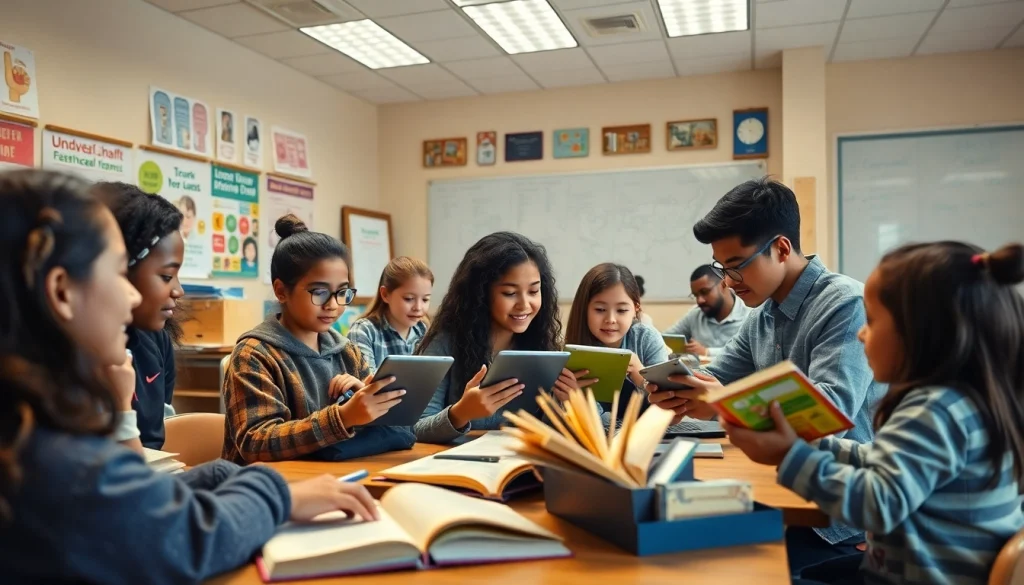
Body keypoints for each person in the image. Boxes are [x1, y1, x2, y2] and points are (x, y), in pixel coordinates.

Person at [0, 170, 379, 583]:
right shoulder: (51, 455)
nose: (130, 294)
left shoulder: (35, 422)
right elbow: (180, 538)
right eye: (116, 273)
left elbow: (132, 497)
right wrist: (277, 493)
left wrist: (220, 476)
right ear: (61, 291)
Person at [727, 241, 1024, 585]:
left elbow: (878, 504)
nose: (860, 333)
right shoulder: (961, 403)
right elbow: (881, 459)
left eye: (872, 320)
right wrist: (811, 445)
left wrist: (790, 455)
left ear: (922, 332)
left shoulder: (934, 411)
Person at [646, 177, 886, 576]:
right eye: (721, 268)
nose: (728, 282)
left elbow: (827, 418)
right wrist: (671, 386)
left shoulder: (845, 304)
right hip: (785, 487)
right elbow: (717, 375)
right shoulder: (763, 315)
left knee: (712, 566)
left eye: (736, 266)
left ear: (781, 248)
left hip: (836, 519)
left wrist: (722, 404)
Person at [222, 215, 411, 464]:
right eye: (319, 292)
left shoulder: (347, 352)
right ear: (281, 291)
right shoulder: (254, 354)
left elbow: (396, 433)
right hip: (268, 490)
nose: (333, 305)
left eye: (342, 292)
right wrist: (343, 417)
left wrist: (365, 401)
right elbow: (255, 443)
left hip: (336, 478)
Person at [414, 232, 562, 444]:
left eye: (534, 291)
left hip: (522, 464)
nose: (524, 304)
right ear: (481, 293)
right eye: (510, 293)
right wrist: (460, 413)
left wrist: (566, 401)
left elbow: (549, 431)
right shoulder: (445, 344)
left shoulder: (542, 346)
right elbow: (415, 428)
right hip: (461, 468)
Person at [92, 182, 184, 451]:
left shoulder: (157, 342)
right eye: (166, 276)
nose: (178, 290)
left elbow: (153, 443)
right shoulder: (70, 359)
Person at [560, 263, 667, 414]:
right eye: (600, 310)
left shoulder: (646, 338)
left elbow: (668, 408)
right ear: (584, 309)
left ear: (636, 309)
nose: (610, 319)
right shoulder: (572, 351)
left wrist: (641, 374)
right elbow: (592, 425)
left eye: (622, 310)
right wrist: (577, 401)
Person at [348, 256, 433, 375]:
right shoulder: (364, 331)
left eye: (425, 299)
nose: (418, 307)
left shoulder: (424, 331)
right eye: (409, 299)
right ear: (385, 294)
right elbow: (365, 384)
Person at [663, 264, 751, 357]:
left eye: (704, 292)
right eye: (695, 295)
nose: (699, 300)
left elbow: (748, 352)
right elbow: (664, 339)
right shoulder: (695, 315)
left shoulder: (750, 315)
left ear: (723, 284)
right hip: (698, 370)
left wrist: (707, 352)